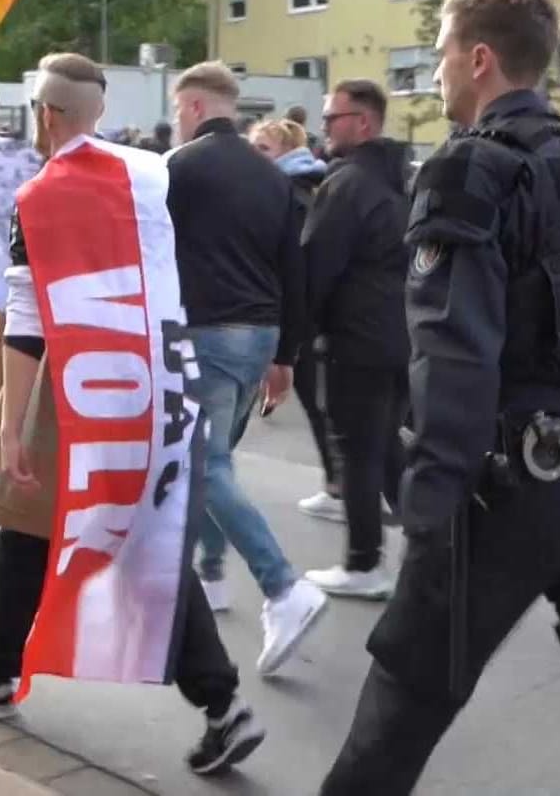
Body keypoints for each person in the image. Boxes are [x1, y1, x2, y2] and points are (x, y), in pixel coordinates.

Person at [321, 0, 560, 795]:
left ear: (479, 59)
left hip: (508, 480)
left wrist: (430, 502)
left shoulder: (469, 170)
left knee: (403, 695)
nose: (439, 74)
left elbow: (453, 352)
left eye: (443, 54)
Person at [0, 53, 266, 776]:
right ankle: (0, 667)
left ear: (47, 115)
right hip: (156, 381)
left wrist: (17, 425)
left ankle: (214, 700)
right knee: (117, 534)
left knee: (66, 528)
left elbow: (28, 321)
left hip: (78, 389)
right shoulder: (151, 174)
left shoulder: (41, 194)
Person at [167, 63, 326, 675]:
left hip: (207, 330)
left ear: (197, 106)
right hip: (258, 335)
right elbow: (295, 268)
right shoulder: (272, 176)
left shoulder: (179, 169)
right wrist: (285, 354)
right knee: (217, 462)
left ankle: (283, 587)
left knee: (201, 464)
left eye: (181, 108)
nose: (178, 119)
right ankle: (210, 575)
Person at [300, 80, 411, 601]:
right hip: (398, 336)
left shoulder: (346, 185)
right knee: (386, 449)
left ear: (362, 123)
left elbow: (317, 265)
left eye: (332, 119)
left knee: (359, 454)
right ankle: (440, 543)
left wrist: (299, 336)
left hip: (356, 339)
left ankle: (364, 563)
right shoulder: (399, 181)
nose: (324, 128)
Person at [253, 120, 341, 505]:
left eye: (264, 149)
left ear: (286, 152)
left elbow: (297, 265)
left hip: (303, 317)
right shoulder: (298, 188)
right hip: (305, 316)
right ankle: (341, 484)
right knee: (317, 402)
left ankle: (341, 487)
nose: (255, 157)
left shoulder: (293, 193)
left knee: (319, 403)